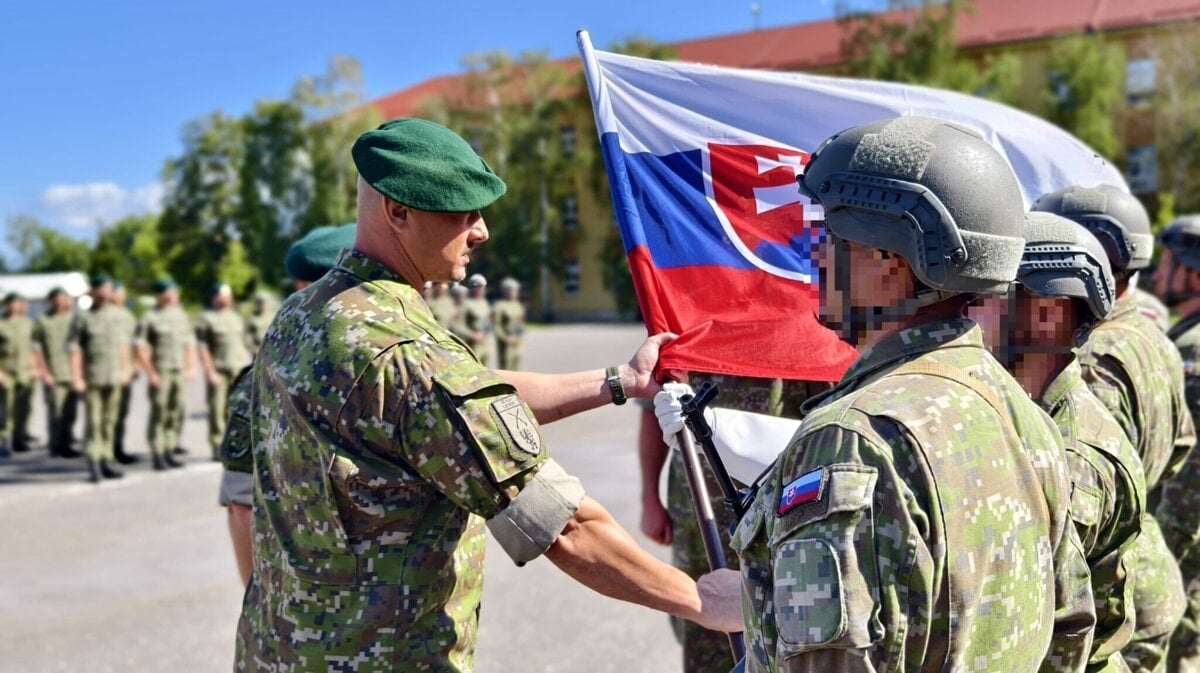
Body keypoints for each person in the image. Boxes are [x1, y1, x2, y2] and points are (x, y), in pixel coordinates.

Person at [234, 118, 740, 671]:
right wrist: (702, 600)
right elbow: (565, 527)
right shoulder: (409, 353)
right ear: (397, 212)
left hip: (279, 647)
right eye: (461, 212)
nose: (481, 232)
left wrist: (619, 381)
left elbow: (468, 398)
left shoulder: (305, 313)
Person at [664, 117, 1094, 672]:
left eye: (832, 241)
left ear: (889, 267)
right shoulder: (1027, 419)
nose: (815, 259)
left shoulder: (852, 439)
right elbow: (1070, 629)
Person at [973, 213, 1146, 673]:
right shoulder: (1030, 419)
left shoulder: (1073, 456)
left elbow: (1031, 611)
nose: (970, 313)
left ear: (1049, 315)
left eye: (986, 298)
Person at [1034, 185, 1195, 673]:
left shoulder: (1094, 358)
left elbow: (1086, 500)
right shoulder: (1150, 335)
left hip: (1114, 599)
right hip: (1148, 574)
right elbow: (1180, 447)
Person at [640, 375, 823, 673]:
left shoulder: (807, 333)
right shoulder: (681, 333)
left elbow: (826, 412)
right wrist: (649, 496)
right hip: (698, 509)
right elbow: (652, 408)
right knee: (703, 617)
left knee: (785, 628)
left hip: (780, 508)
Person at [218, 222, 357, 585]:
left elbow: (242, 506)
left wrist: (261, 604)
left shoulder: (261, 377)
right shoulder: (382, 365)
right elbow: (243, 504)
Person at [1152, 214, 1200, 673]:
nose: (1159, 275)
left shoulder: (1194, 352)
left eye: (1169, 264)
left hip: (1184, 544)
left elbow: (1192, 479)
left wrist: (1165, 549)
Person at [69, 275, 133, 482]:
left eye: (107, 288)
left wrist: (126, 370)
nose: (104, 292)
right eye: (100, 288)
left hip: (114, 376)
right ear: (93, 292)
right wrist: (77, 377)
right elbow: (74, 348)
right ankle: (94, 462)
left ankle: (107, 459)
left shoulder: (119, 315)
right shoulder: (83, 318)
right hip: (93, 377)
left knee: (110, 421)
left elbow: (124, 345)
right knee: (94, 422)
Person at [134, 277, 195, 470]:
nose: (172, 296)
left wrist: (190, 366)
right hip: (161, 370)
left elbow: (189, 343)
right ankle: (158, 452)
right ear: (159, 295)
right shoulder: (150, 318)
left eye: (174, 292)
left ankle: (170, 447)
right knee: (160, 411)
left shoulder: (181, 315)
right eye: (168, 293)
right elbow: (140, 347)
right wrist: (151, 372)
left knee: (177, 409)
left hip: (179, 371)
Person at [195, 283, 250, 460]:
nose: (228, 298)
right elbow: (202, 348)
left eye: (229, 295)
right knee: (216, 409)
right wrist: (209, 371)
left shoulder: (235, 317)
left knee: (235, 408)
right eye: (224, 295)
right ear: (215, 298)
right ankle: (217, 445)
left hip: (236, 370)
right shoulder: (207, 319)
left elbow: (242, 342)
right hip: (218, 370)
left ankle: (233, 444)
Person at [32, 287, 80, 458]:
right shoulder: (43, 321)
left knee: (71, 413)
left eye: (65, 297)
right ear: (51, 300)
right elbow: (37, 348)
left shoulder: (74, 319)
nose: (62, 301)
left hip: (73, 373)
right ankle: (55, 446)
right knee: (55, 413)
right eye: (58, 298)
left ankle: (66, 444)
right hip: (54, 373)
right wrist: (44, 372)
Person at [0, 293, 40, 455]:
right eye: (11, 303)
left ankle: (19, 438)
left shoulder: (28, 324)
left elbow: (34, 348)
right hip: (7, 371)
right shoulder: (1, 324)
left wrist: (36, 367)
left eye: (17, 303)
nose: (14, 306)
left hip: (25, 371)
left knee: (23, 407)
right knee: (6, 408)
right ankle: (5, 440)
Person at [109, 281, 139, 465]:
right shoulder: (98, 315)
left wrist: (135, 365)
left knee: (121, 413)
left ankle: (117, 448)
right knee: (106, 416)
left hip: (125, 372)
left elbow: (135, 343)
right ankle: (104, 453)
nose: (122, 296)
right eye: (120, 292)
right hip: (106, 372)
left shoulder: (128, 316)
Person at [492, 277, 525, 370]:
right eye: (510, 290)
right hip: (506, 345)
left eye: (515, 290)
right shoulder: (500, 306)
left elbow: (520, 324)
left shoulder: (518, 305)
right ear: (505, 292)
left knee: (517, 370)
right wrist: (505, 338)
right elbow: (496, 325)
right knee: (507, 370)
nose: (513, 293)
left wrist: (517, 337)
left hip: (517, 343)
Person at [462, 273, 493, 366]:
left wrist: (489, 343)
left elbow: (489, 322)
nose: (480, 290)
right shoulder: (465, 304)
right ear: (471, 288)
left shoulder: (485, 303)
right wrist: (472, 335)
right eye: (477, 287)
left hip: (485, 343)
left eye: (482, 288)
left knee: (486, 371)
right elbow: (458, 325)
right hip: (472, 344)